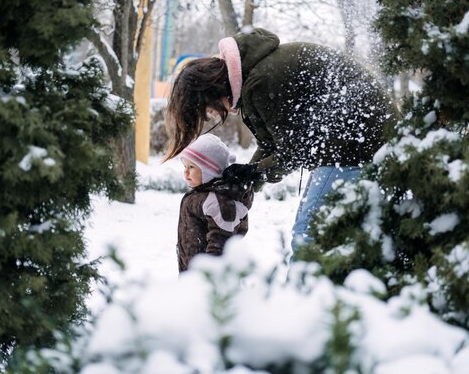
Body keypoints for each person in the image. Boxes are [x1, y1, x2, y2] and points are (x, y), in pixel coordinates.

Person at [165, 27, 398, 257]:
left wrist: (253, 174)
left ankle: (302, 293)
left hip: (357, 142)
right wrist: (243, 184)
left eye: (207, 109)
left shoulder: (261, 81)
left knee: (309, 235)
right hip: (351, 140)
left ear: (211, 91)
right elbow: (272, 144)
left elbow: (294, 153)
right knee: (322, 232)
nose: (212, 115)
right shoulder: (252, 78)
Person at [176, 133, 254, 273]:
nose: (185, 172)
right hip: (192, 269)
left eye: (192, 167)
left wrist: (209, 273)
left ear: (209, 171)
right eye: (185, 166)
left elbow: (221, 242)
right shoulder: (202, 194)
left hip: (206, 276)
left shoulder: (217, 201)